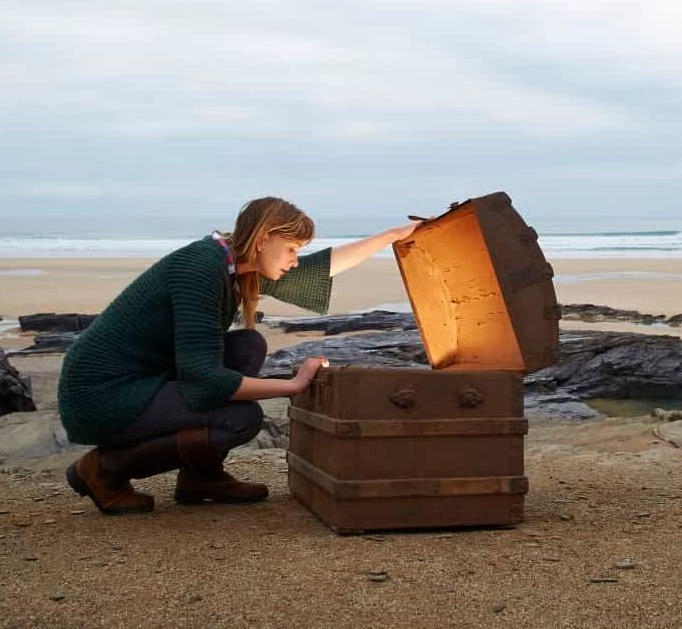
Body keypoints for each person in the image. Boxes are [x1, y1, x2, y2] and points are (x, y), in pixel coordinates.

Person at [58, 197, 418, 514]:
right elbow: (203, 381)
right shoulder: (200, 268)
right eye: (292, 248)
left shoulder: (232, 265)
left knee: (248, 345)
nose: (296, 261)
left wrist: (389, 237)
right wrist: (292, 385)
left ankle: (201, 478)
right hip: (101, 396)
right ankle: (104, 469)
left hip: (140, 382)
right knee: (240, 418)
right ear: (264, 239)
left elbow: (320, 270)